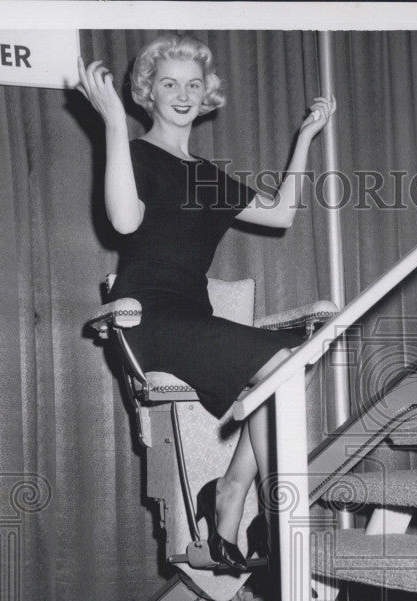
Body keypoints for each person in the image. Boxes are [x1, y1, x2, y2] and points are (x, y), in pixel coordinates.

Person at [77, 34, 335, 571]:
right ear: (146, 93)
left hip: (195, 317)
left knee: (290, 362)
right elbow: (124, 221)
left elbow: (282, 214)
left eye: (193, 83)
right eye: (168, 82)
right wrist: (110, 127)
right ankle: (274, 517)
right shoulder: (136, 154)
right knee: (285, 363)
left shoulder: (208, 178)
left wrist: (306, 137)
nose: (182, 93)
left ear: (207, 94)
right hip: (147, 320)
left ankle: (228, 494)